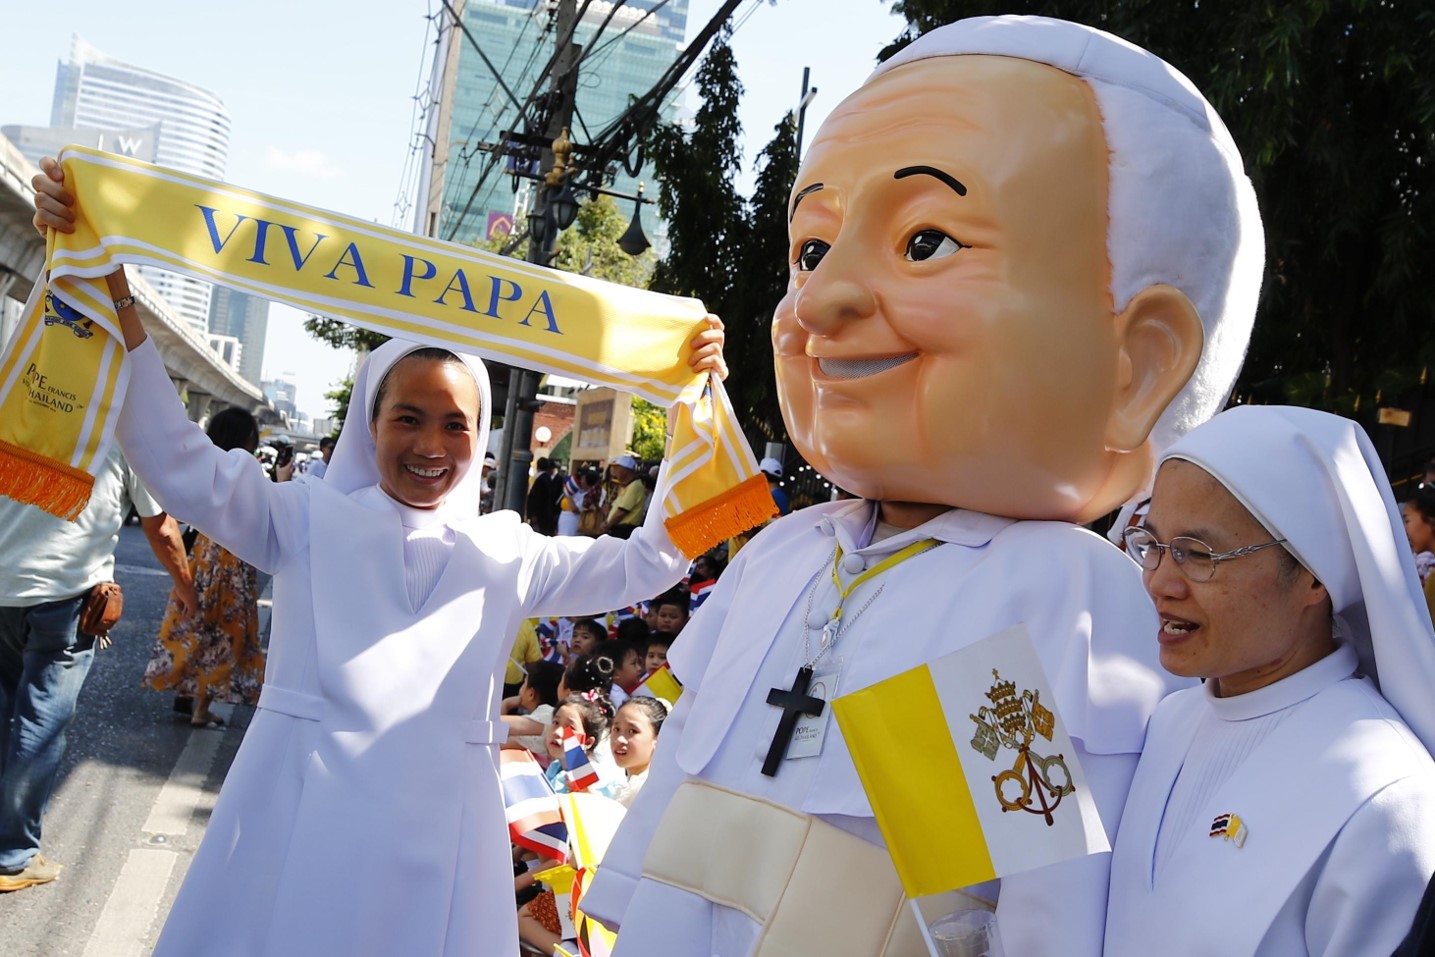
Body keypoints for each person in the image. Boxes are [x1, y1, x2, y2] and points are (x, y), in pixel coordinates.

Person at [585, 15, 1263, 956]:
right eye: (812, 250)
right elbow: (686, 758)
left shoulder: (1041, 589)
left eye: (926, 240)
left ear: (1137, 367)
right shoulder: (785, 548)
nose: (816, 303)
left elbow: (1030, 882)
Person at [34, 150, 729, 956]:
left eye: (455, 423)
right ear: (371, 422)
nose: (432, 444)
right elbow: (176, 459)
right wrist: (111, 288)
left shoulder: (508, 548)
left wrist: (695, 410)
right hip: (297, 812)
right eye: (408, 417)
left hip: (443, 835)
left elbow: (650, 560)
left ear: (479, 434)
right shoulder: (301, 517)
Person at [1106, 405, 1435, 956]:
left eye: (1195, 554)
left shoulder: (1385, 795)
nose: (1159, 581)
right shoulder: (1170, 719)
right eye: (1152, 544)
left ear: (1312, 575)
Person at [0, 446, 195, 892]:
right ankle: (12, 854)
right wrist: (188, 590)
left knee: (7, 709)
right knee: (40, 721)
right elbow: (161, 527)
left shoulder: (16, 397)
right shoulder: (119, 424)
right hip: (64, 597)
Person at [142, 407, 267, 729]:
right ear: (246, 438)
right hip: (232, 559)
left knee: (192, 623)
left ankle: (185, 690)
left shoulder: (202, 461)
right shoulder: (244, 467)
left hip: (200, 555)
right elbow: (256, 513)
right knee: (224, 633)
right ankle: (200, 707)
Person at [610, 696, 668, 808]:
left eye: (632, 731)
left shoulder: (651, 792)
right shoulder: (627, 787)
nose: (619, 740)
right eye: (616, 729)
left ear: (658, 738)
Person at [603, 455, 646, 539]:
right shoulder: (626, 486)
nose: (614, 472)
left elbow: (621, 512)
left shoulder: (635, 486)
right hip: (618, 529)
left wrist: (607, 525)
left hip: (623, 531)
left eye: (617, 468)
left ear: (624, 470)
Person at [527, 457, 562, 536]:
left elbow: (538, 498)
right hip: (546, 513)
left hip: (540, 514)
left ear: (537, 466)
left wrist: (534, 514)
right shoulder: (547, 478)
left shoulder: (540, 479)